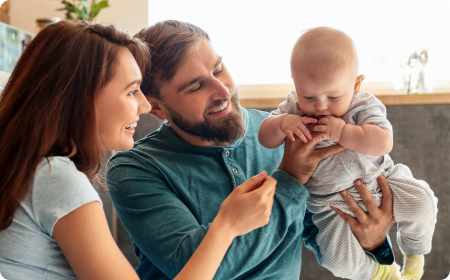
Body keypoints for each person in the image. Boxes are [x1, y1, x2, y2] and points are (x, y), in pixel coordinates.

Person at [106, 20, 397, 280]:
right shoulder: (134, 169)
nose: (222, 90)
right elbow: (192, 269)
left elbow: (319, 227)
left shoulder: (282, 131)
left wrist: (372, 240)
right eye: (196, 86)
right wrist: (290, 178)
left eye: (218, 68)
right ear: (156, 107)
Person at [0, 20, 276, 280]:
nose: (145, 107)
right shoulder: (55, 178)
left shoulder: (31, 171)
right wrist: (225, 226)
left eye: (217, 69)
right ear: (83, 97)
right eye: (132, 91)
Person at [259, 27, 438, 280]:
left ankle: (414, 254)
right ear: (295, 85)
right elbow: (264, 139)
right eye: (308, 95)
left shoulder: (362, 105)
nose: (320, 105)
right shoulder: (292, 108)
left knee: (422, 201)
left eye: (333, 96)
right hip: (328, 203)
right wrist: (280, 124)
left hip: (380, 179)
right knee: (337, 260)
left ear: (356, 84)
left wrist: (344, 132)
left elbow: (383, 142)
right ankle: (382, 273)